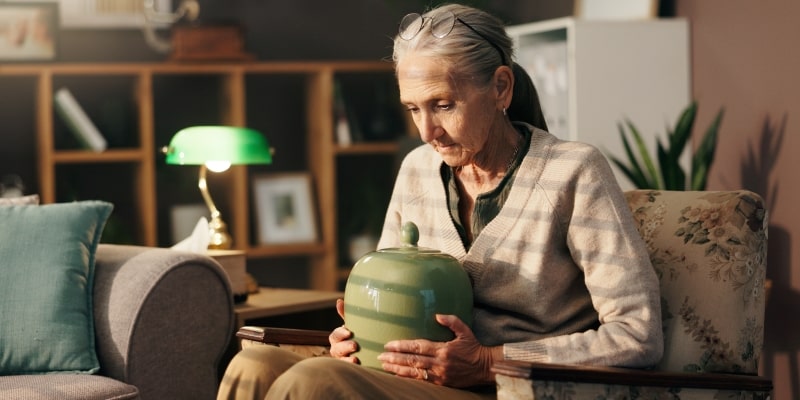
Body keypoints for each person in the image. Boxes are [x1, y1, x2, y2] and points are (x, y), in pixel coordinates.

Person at [217, 3, 662, 399]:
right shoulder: (416, 169)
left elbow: (637, 335)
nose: (426, 132)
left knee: (313, 382)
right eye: (413, 109)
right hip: (406, 378)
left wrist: (488, 361)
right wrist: (354, 334)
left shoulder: (575, 171)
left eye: (443, 104)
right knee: (253, 364)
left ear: (501, 88)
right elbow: (390, 288)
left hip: (504, 388)